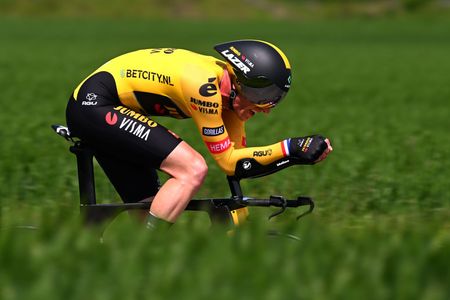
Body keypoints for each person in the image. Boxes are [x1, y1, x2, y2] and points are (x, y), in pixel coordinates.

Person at [66, 40, 333, 229]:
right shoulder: (204, 86)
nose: (265, 109)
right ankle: (145, 251)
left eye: (274, 98)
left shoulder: (232, 97)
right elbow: (227, 161)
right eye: (262, 96)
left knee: (151, 208)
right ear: (240, 80)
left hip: (111, 109)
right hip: (94, 105)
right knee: (192, 169)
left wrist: (295, 155)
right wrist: (289, 148)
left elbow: (236, 165)